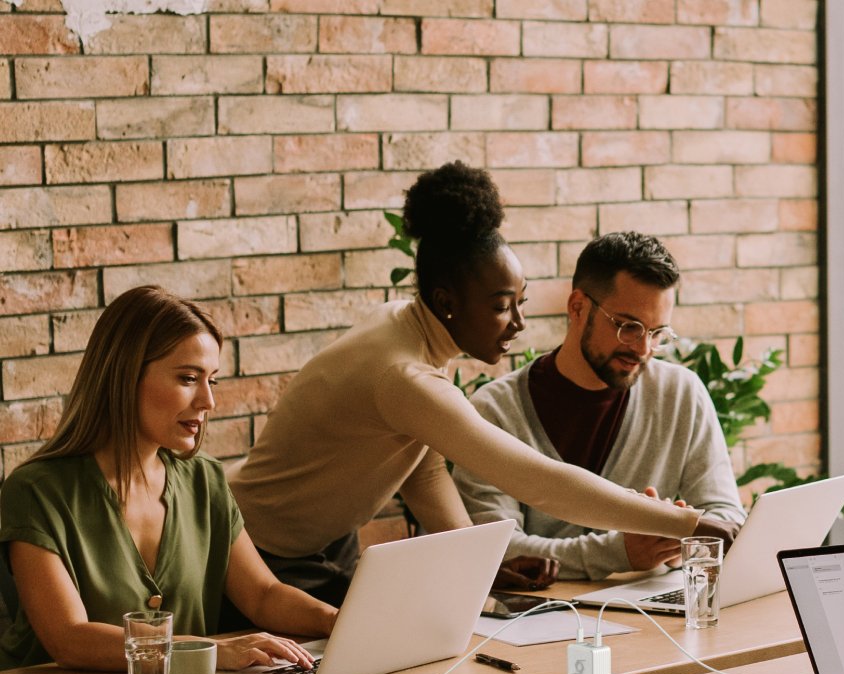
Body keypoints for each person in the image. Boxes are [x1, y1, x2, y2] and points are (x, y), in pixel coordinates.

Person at [229, 161, 737, 604]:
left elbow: (421, 470)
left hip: (321, 547)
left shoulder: (410, 332)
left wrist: (483, 565)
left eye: (520, 300)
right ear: (448, 302)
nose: (517, 322)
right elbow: (538, 480)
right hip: (256, 552)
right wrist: (685, 525)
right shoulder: (404, 374)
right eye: (499, 307)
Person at [0, 286, 338, 672]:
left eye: (212, 380)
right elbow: (69, 638)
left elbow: (262, 594)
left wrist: (336, 620)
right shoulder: (36, 491)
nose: (207, 402)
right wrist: (210, 651)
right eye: (188, 378)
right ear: (124, 376)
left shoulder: (204, 479)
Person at [452, 232, 745, 581]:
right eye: (628, 327)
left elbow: (725, 519)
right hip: (541, 621)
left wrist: (669, 540)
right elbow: (497, 550)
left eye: (657, 333)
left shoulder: (680, 393)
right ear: (577, 307)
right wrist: (618, 552)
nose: (643, 349)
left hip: (653, 613)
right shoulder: (495, 412)